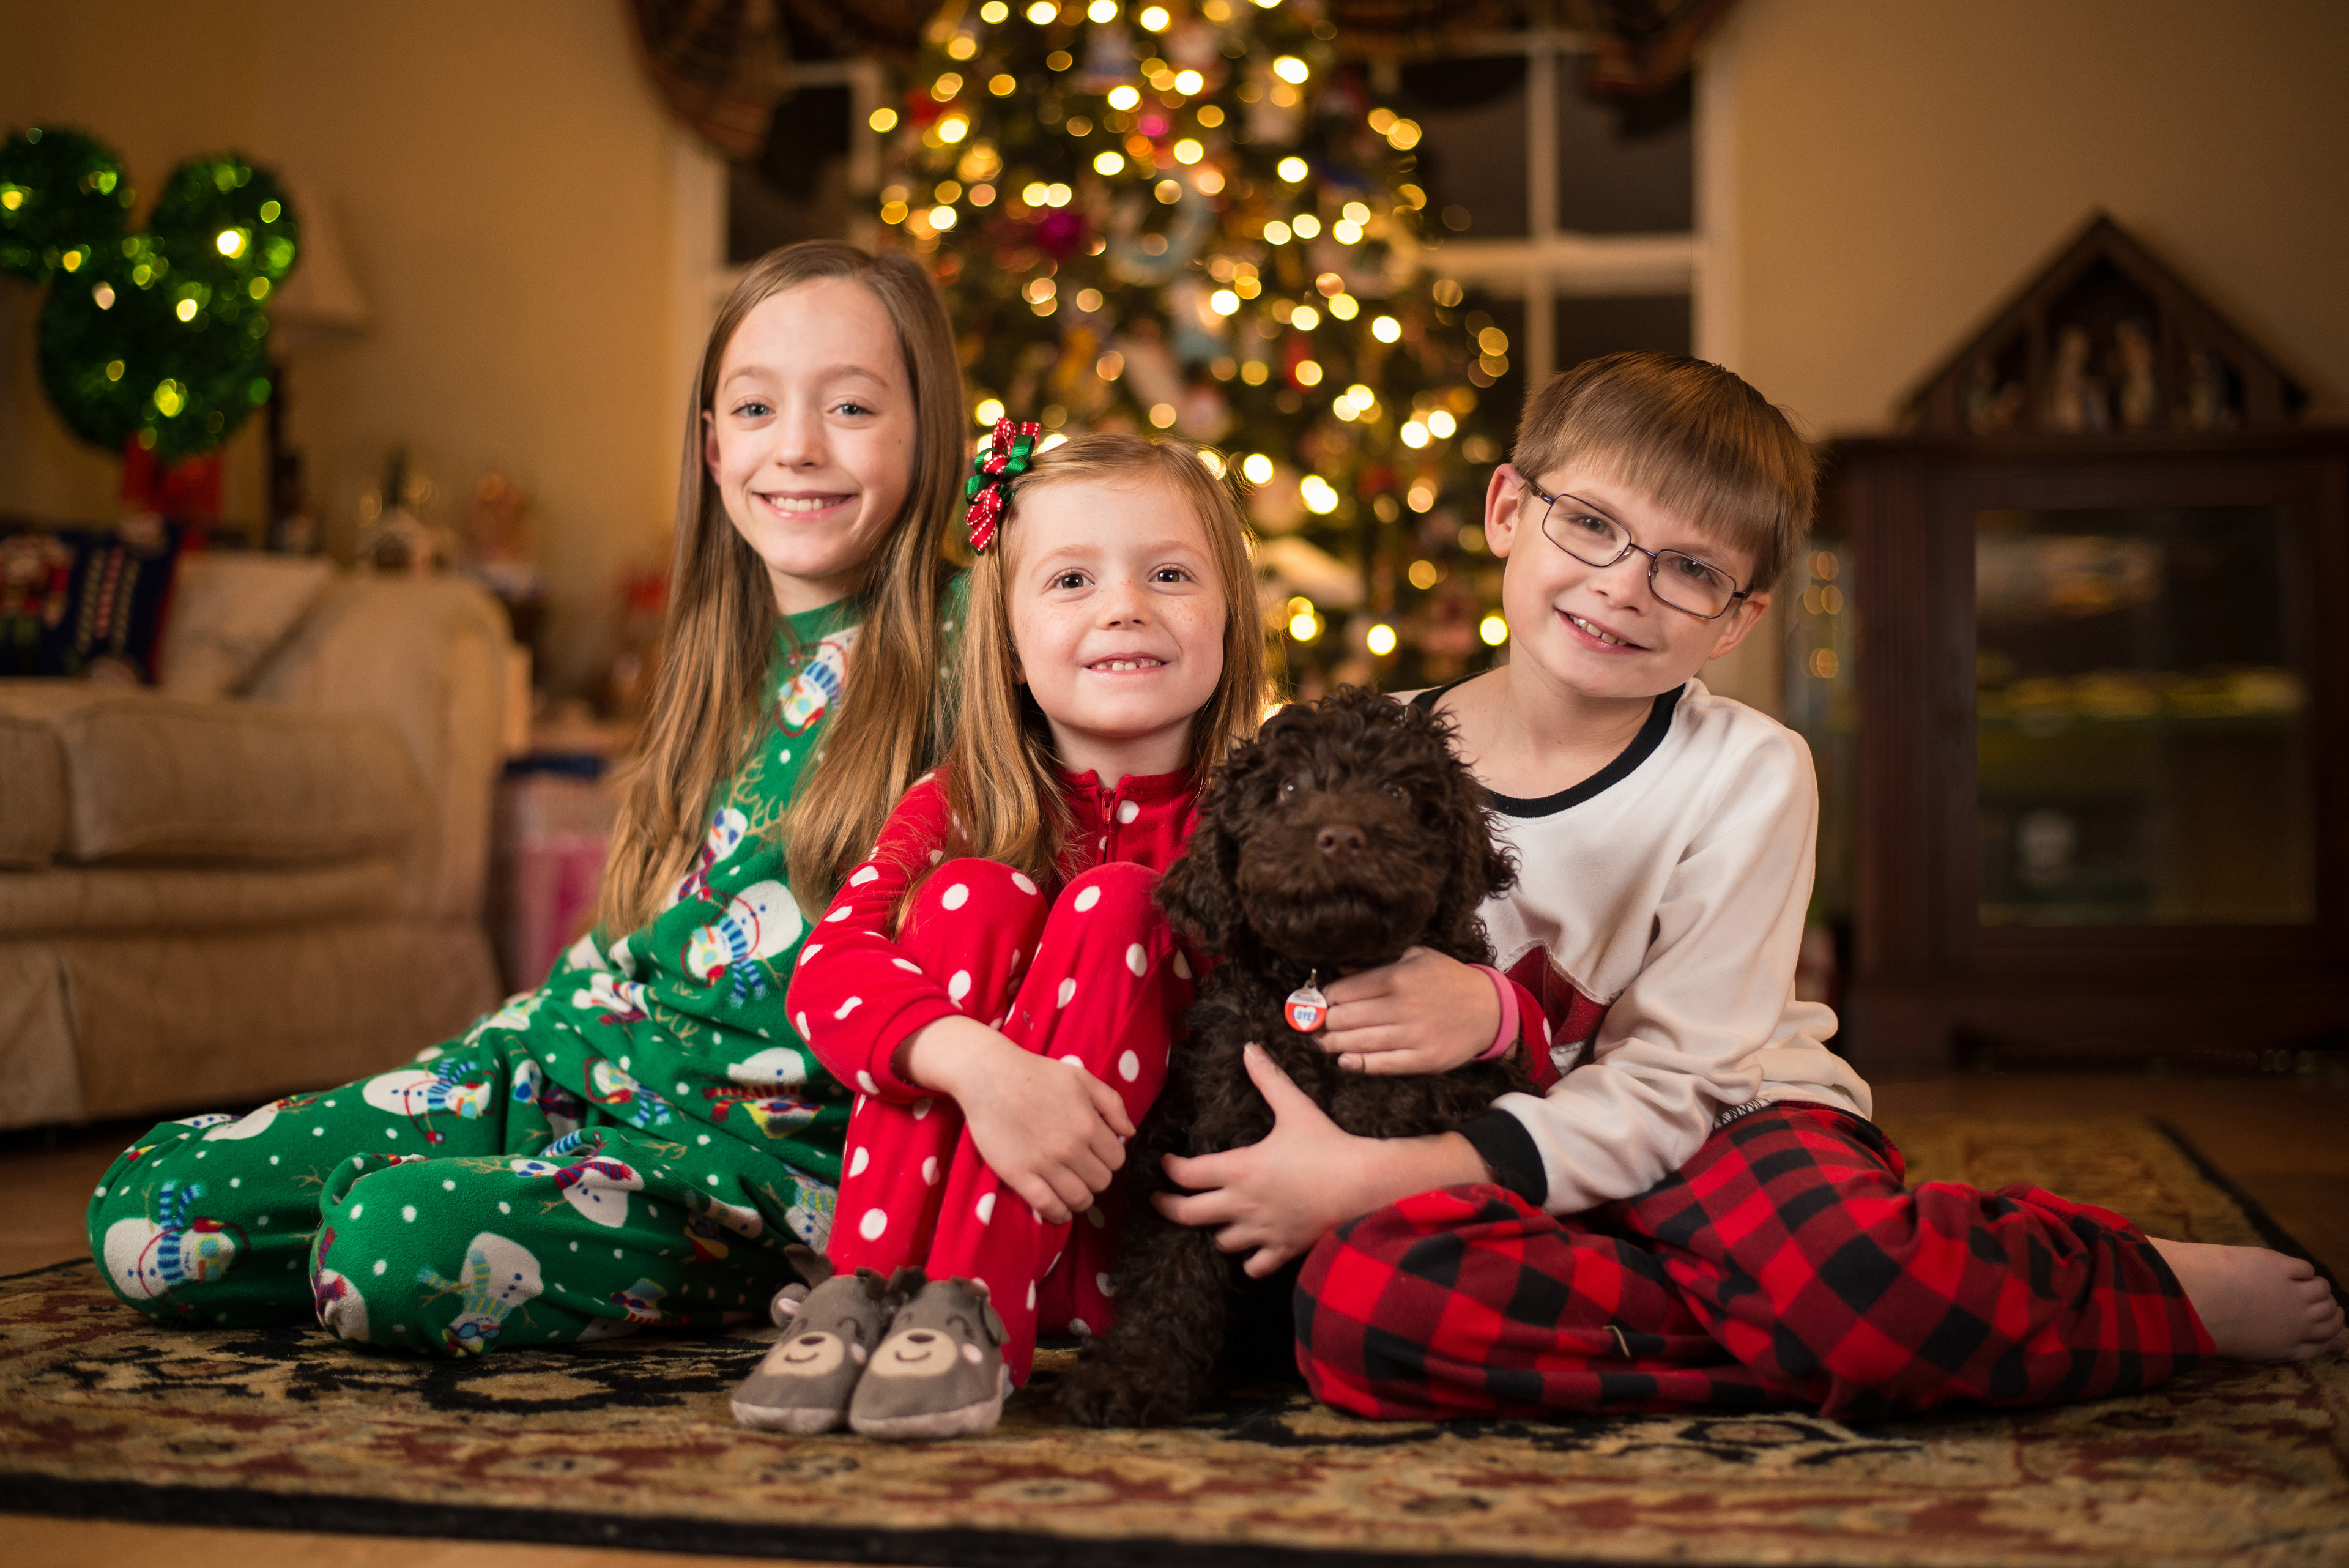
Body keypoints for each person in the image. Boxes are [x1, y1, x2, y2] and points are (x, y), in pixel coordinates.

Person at [1153, 352, 2347, 1422]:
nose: (1624, 587)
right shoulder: (1368, 746)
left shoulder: (1749, 771)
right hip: (1485, 1143)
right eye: (1592, 525)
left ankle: (2116, 1285)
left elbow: (1678, 1082)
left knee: (1852, 1282)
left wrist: (1405, 1148)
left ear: (1737, 620)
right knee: (1360, 1315)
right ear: (1509, 509)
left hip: (1723, 1121)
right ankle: (1828, 1329)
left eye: (1689, 569)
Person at [86, 240, 972, 1355]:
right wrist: (470, 1087)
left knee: (389, 1247)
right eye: (756, 408)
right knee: (145, 1209)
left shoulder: (978, 640)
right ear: (712, 446)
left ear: (930, 433)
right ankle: (449, 1197)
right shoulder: (717, 660)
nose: (795, 446)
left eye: (850, 407)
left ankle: (580, 1237)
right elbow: (635, 934)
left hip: (756, 1160)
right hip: (570, 1065)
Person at [729, 428, 1264, 1439]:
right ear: (1009, 647)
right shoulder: (962, 801)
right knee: (970, 896)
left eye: (1169, 574)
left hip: (1140, 1253)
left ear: (1231, 617)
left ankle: (976, 1313)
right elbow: (828, 972)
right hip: (920, 1236)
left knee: (1118, 903)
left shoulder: (1254, 816)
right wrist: (984, 1070)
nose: (1125, 606)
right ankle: (873, 1286)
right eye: (1071, 580)